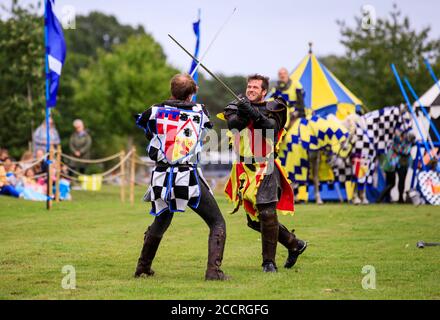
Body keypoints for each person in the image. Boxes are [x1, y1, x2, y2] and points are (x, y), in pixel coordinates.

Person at [133, 73, 229, 280]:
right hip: (187, 177)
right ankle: (214, 271)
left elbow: (148, 131)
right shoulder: (200, 111)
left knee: (161, 221)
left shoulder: (154, 111)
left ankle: (142, 267)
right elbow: (205, 125)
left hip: (161, 178)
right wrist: (189, 97)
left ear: (172, 90)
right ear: (191, 94)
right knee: (217, 222)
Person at [220, 74, 307, 273]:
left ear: (264, 91)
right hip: (244, 169)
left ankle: (269, 263)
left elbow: (271, 129)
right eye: (249, 86)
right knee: (254, 220)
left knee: (267, 213)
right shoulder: (235, 105)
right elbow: (233, 126)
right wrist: (244, 112)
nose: (251, 90)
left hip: (265, 166)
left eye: (255, 87)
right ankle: (294, 244)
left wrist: (255, 114)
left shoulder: (275, 106)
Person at [377, 129, 416, 203]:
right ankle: (381, 199)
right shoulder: (395, 136)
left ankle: (400, 198)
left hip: (403, 160)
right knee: (391, 183)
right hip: (393, 160)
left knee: (401, 181)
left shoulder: (410, 138)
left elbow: (412, 142)